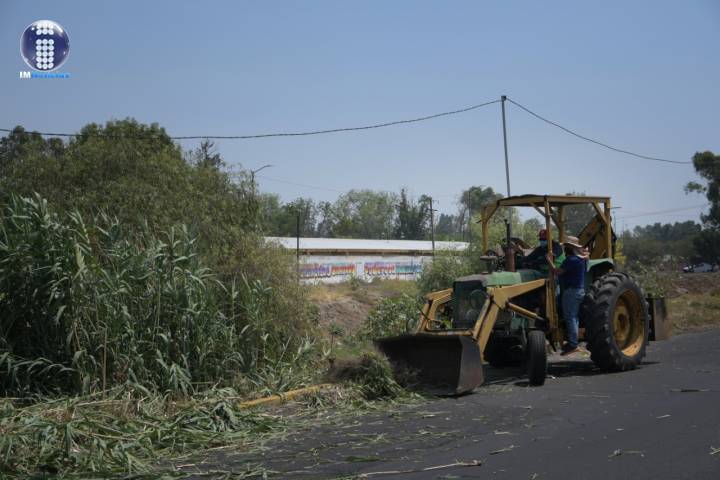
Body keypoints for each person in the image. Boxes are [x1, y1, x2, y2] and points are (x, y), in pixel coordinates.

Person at [546, 236, 589, 355]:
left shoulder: (571, 260)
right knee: (573, 316)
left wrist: (549, 259)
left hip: (571, 292)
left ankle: (573, 344)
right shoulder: (582, 259)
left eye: (566, 247)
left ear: (570, 248)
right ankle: (572, 341)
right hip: (578, 291)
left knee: (570, 317)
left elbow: (557, 271)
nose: (564, 249)